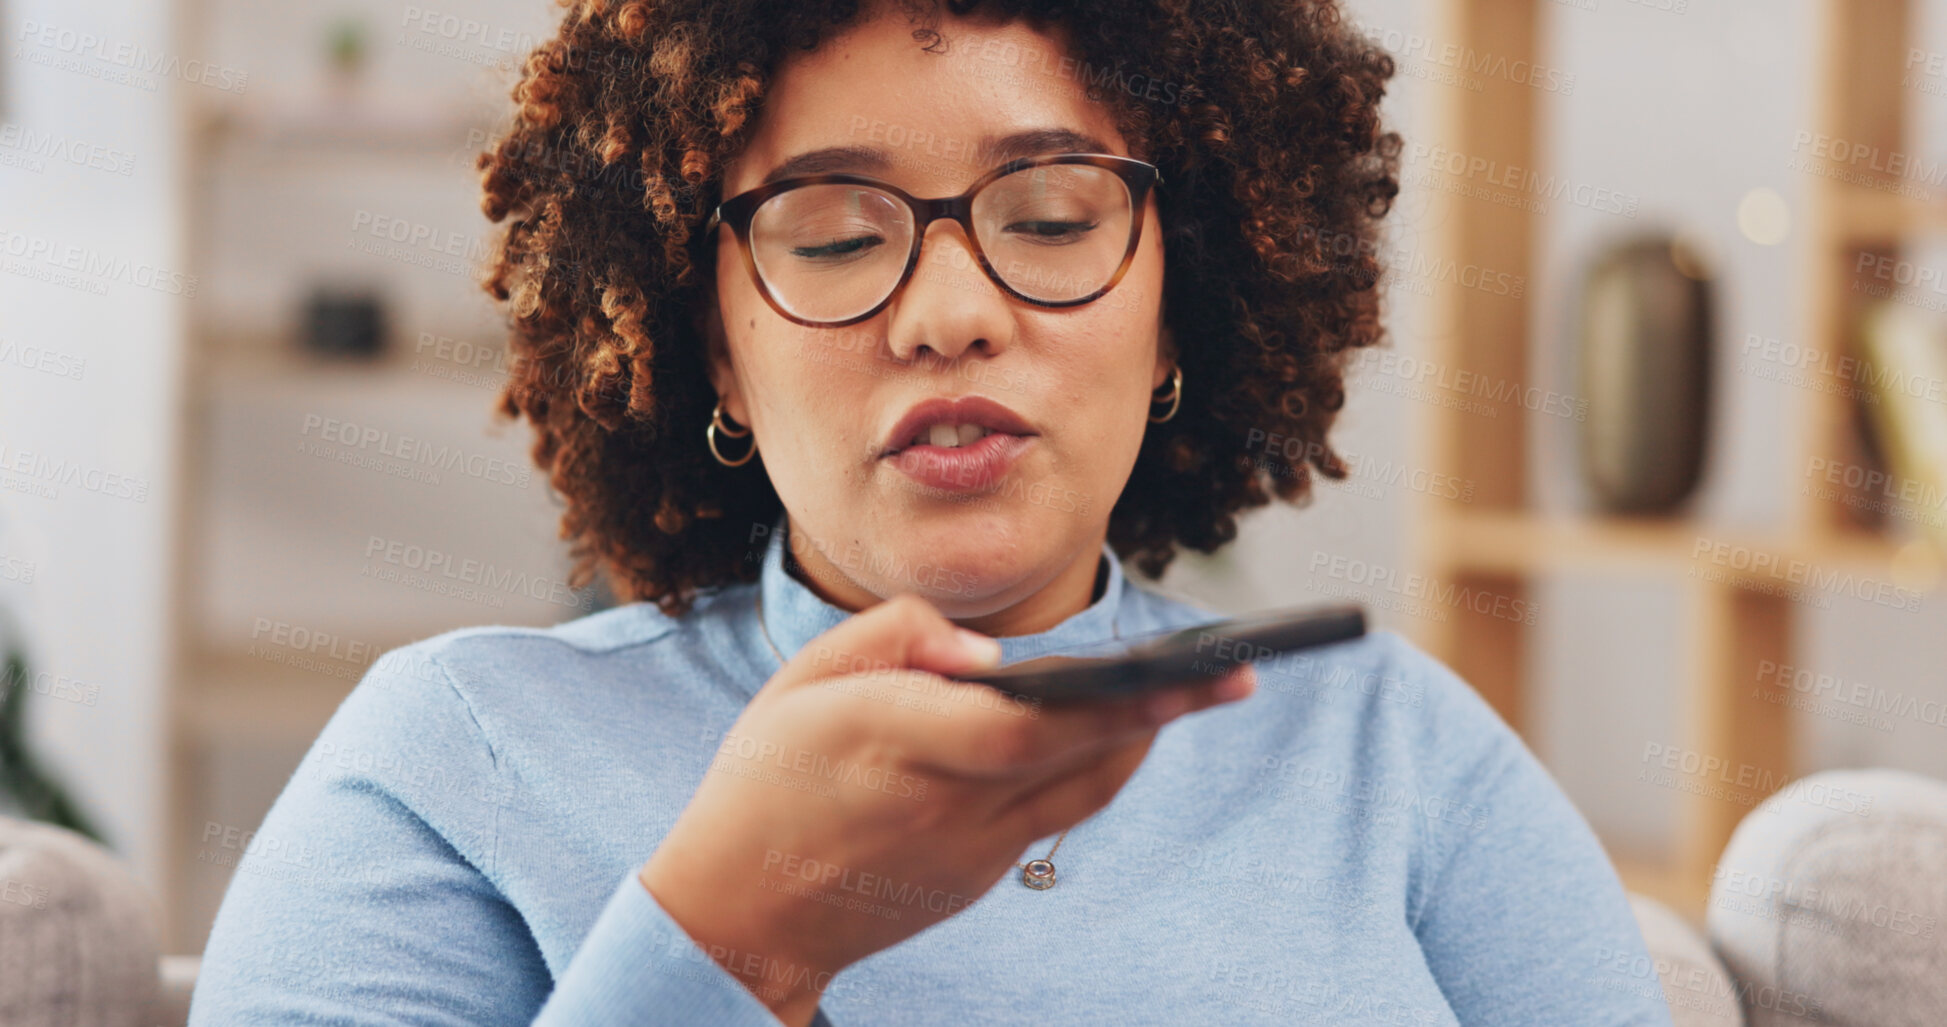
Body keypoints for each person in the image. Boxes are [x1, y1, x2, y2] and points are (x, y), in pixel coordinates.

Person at [191, 1, 1672, 1024]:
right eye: (835, 236)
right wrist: (735, 935)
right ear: (711, 343)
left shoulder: (1395, 749)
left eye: (1050, 219)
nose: (950, 313)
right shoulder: (454, 758)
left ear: (1178, 309)